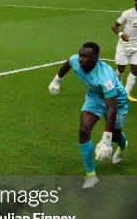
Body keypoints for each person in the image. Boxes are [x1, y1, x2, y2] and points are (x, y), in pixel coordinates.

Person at [48, 42, 128, 189]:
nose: (80, 59)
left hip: (117, 101)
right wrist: (57, 80)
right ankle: (91, 175)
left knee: (116, 136)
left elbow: (111, 108)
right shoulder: (75, 60)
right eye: (80, 55)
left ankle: (123, 146)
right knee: (83, 130)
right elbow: (68, 63)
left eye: (85, 56)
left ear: (96, 58)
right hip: (94, 97)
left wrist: (106, 139)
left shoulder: (105, 78)